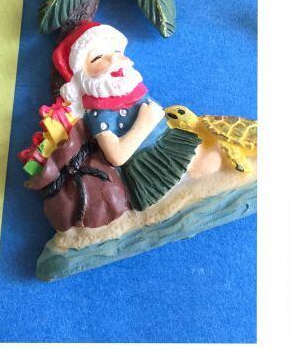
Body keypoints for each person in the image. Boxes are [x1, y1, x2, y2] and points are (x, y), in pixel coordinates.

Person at [53, 21, 222, 211]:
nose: (114, 59)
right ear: (83, 77)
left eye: (115, 51)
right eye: (98, 57)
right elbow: (117, 156)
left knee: (211, 162)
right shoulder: (99, 113)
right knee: (188, 186)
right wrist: (145, 122)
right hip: (149, 164)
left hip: (170, 141)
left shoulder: (131, 88)